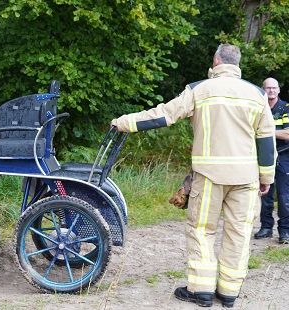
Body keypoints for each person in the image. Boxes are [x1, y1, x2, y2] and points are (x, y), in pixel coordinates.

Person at [111, 44, 275, 308]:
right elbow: (266, 141)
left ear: (216, 61)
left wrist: (124, 122)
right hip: (246, 179)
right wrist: (266, 177)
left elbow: (164, 115)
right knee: (239, 233)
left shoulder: (200, 89)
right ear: (238, 63)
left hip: (208, 177)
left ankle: (201, 290)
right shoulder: (256, 94)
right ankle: (229, 292)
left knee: (201, 231)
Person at [254, 78, 289, 244]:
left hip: (283, 156)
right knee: (265, 194)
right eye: (268, 88)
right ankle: (266, 227)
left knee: (284, 196)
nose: (271, 91)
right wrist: (276, 132)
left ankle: (285, 231)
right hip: (263, 155)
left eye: (274, 88)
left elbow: (288, 134)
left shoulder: (285, 108)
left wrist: (265, 132)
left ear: (279, 90)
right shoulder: (258, 107)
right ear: (263, 90)